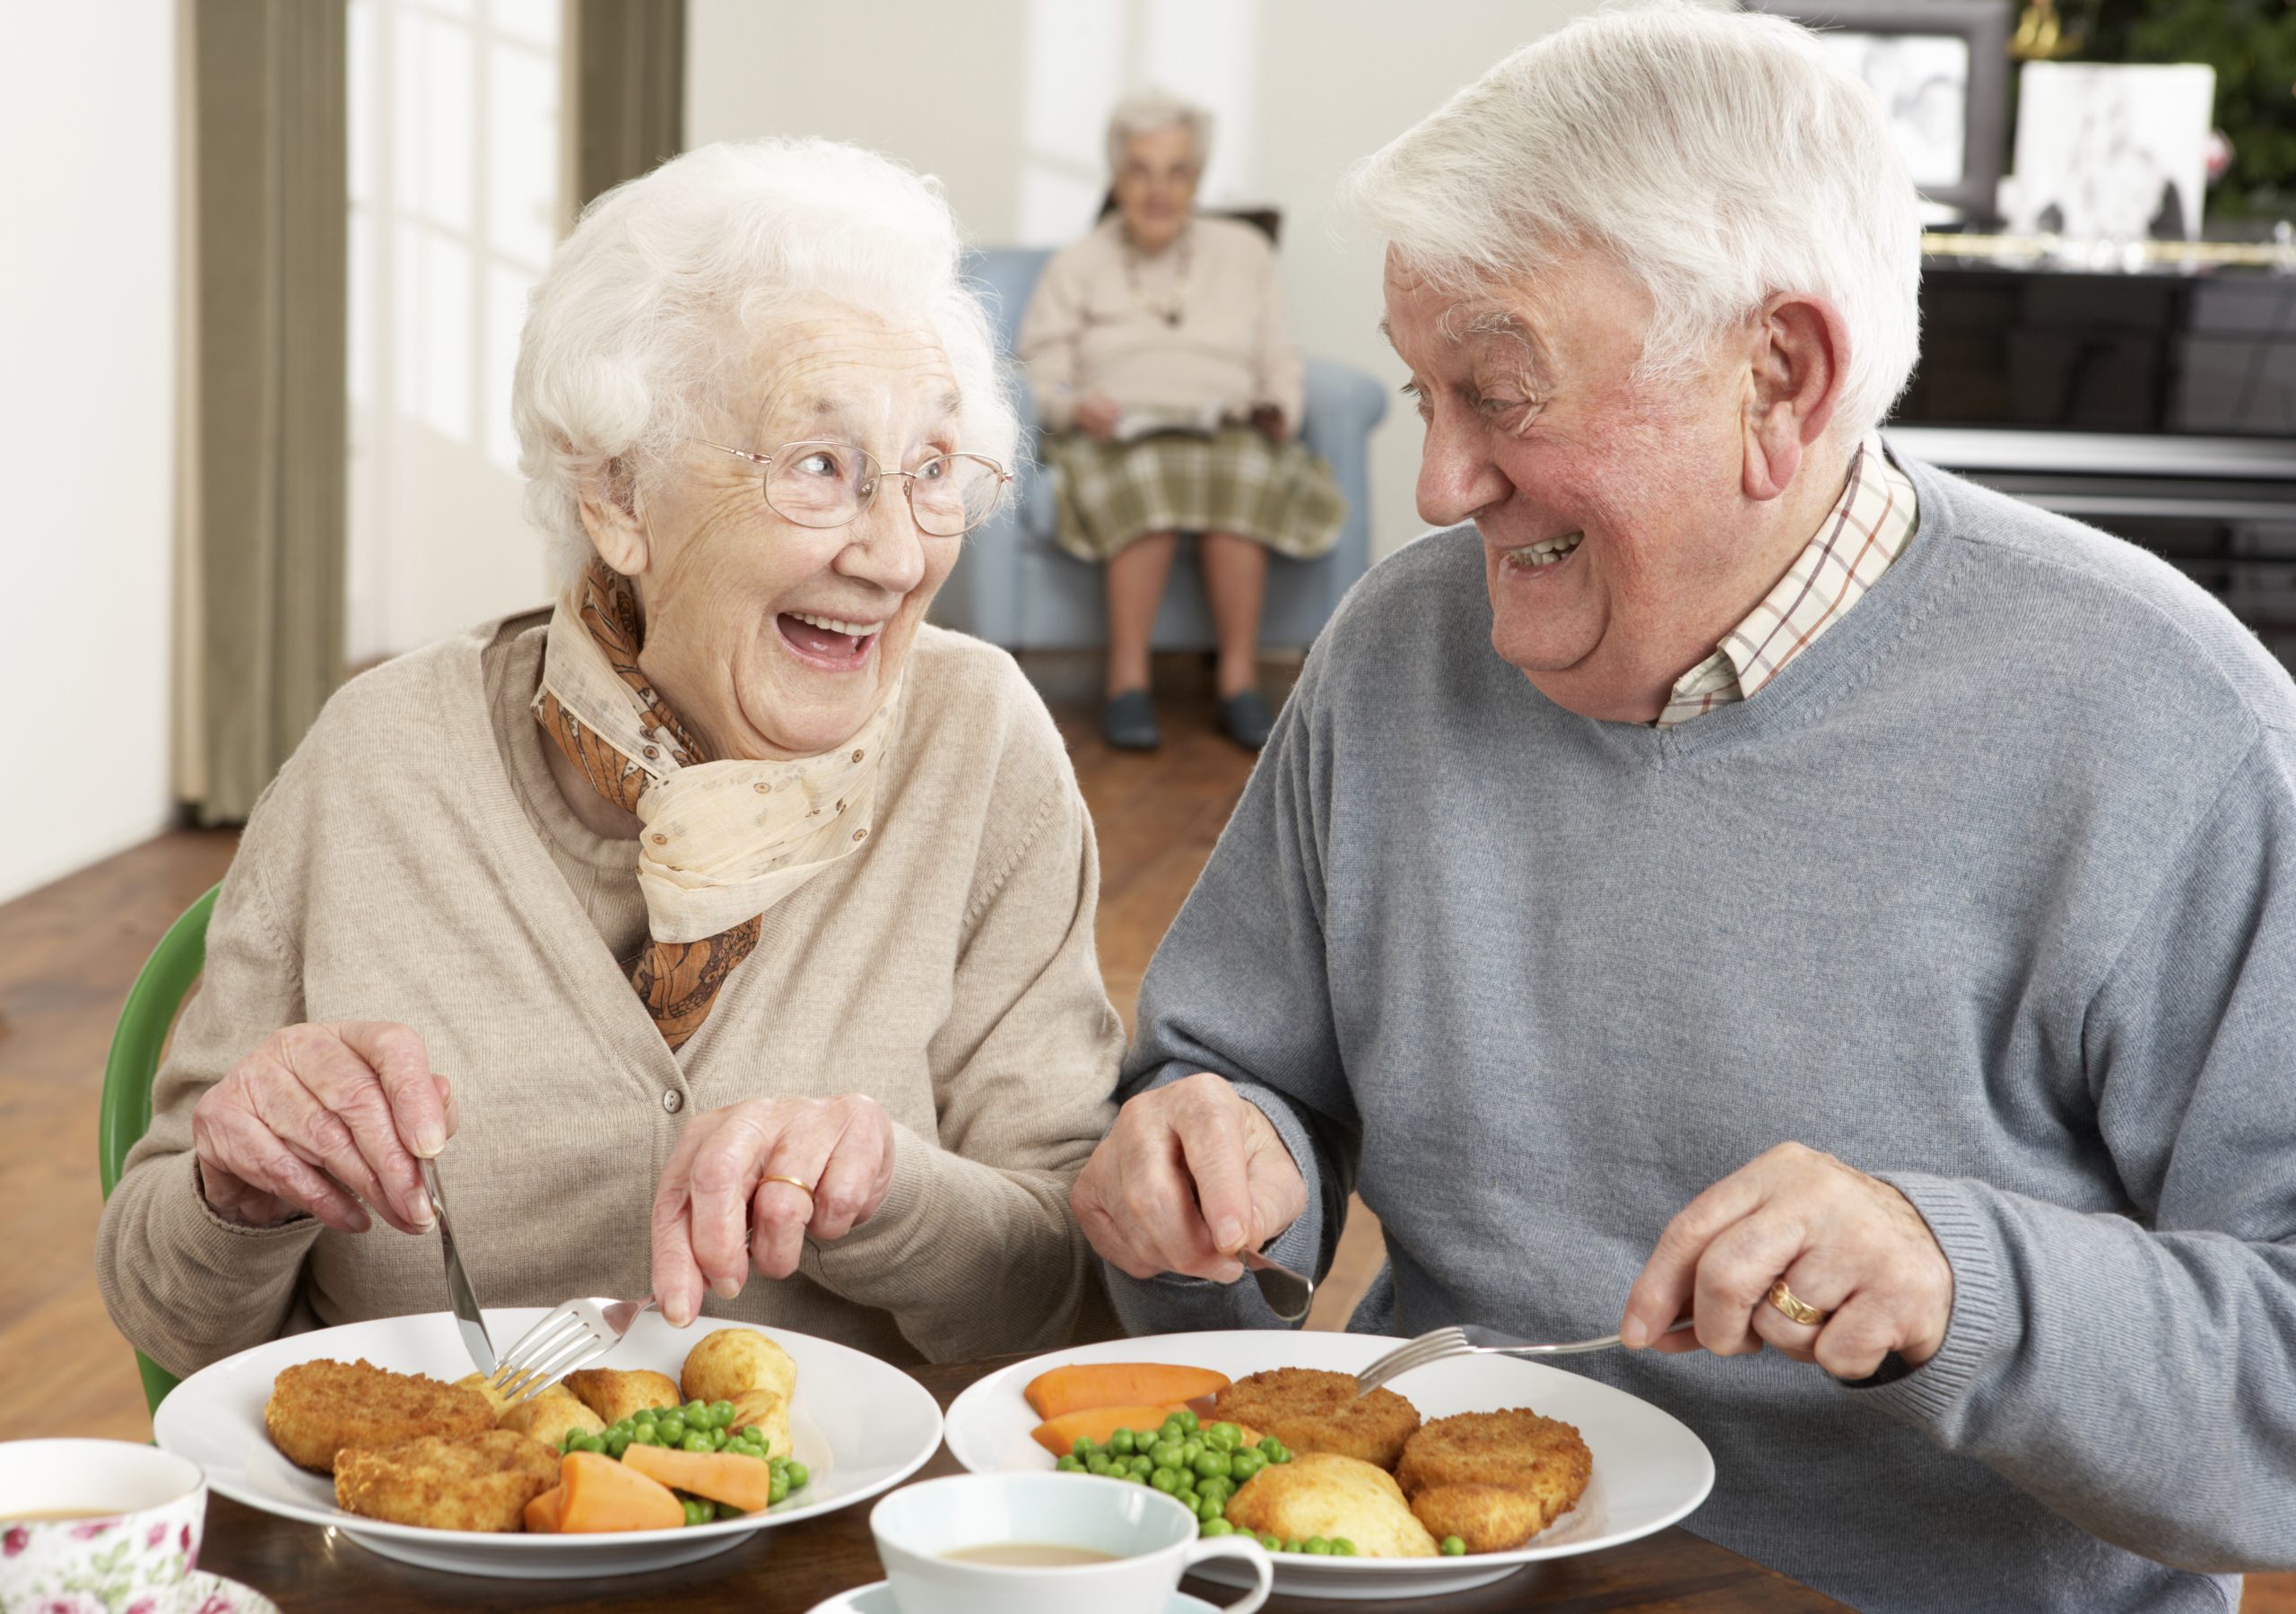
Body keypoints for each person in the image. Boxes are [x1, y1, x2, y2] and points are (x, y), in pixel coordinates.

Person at [1067, 8, 2296, 1612]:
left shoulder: (2175, 730)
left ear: (1778, 379)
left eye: (1499, 394)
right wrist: (1201, 1176)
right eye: (1421, 390)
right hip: (1429, 1574)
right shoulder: (1394, 652)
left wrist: (1960, 1281)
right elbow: (1227, 1084)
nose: (1437, 483)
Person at [97, 139, 1126, 1376]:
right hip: (432, 1535)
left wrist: (892, 1196)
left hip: (846, 1557)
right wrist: (238, 1185)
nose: (898, 555)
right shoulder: (377, 760)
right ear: (618, 497)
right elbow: (168, 1308)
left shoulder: (979, 747)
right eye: (820, 467)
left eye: (931, 472)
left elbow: (1068, 1302)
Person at [1018, 91, 1346, 753]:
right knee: (1150, 476)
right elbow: (1038, 370)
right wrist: (1075, 403)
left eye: (1176, 172)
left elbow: (1279, 353)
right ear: (1118, 177)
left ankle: (1238, 683)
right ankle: (1127, 684)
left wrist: (1280, 408)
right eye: (1140, 170)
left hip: (1224, 425)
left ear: (1197, 178)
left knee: (1244, 469)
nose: (1158, 190)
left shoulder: (1246, 252)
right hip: (1118, 434)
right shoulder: (1076, 264)